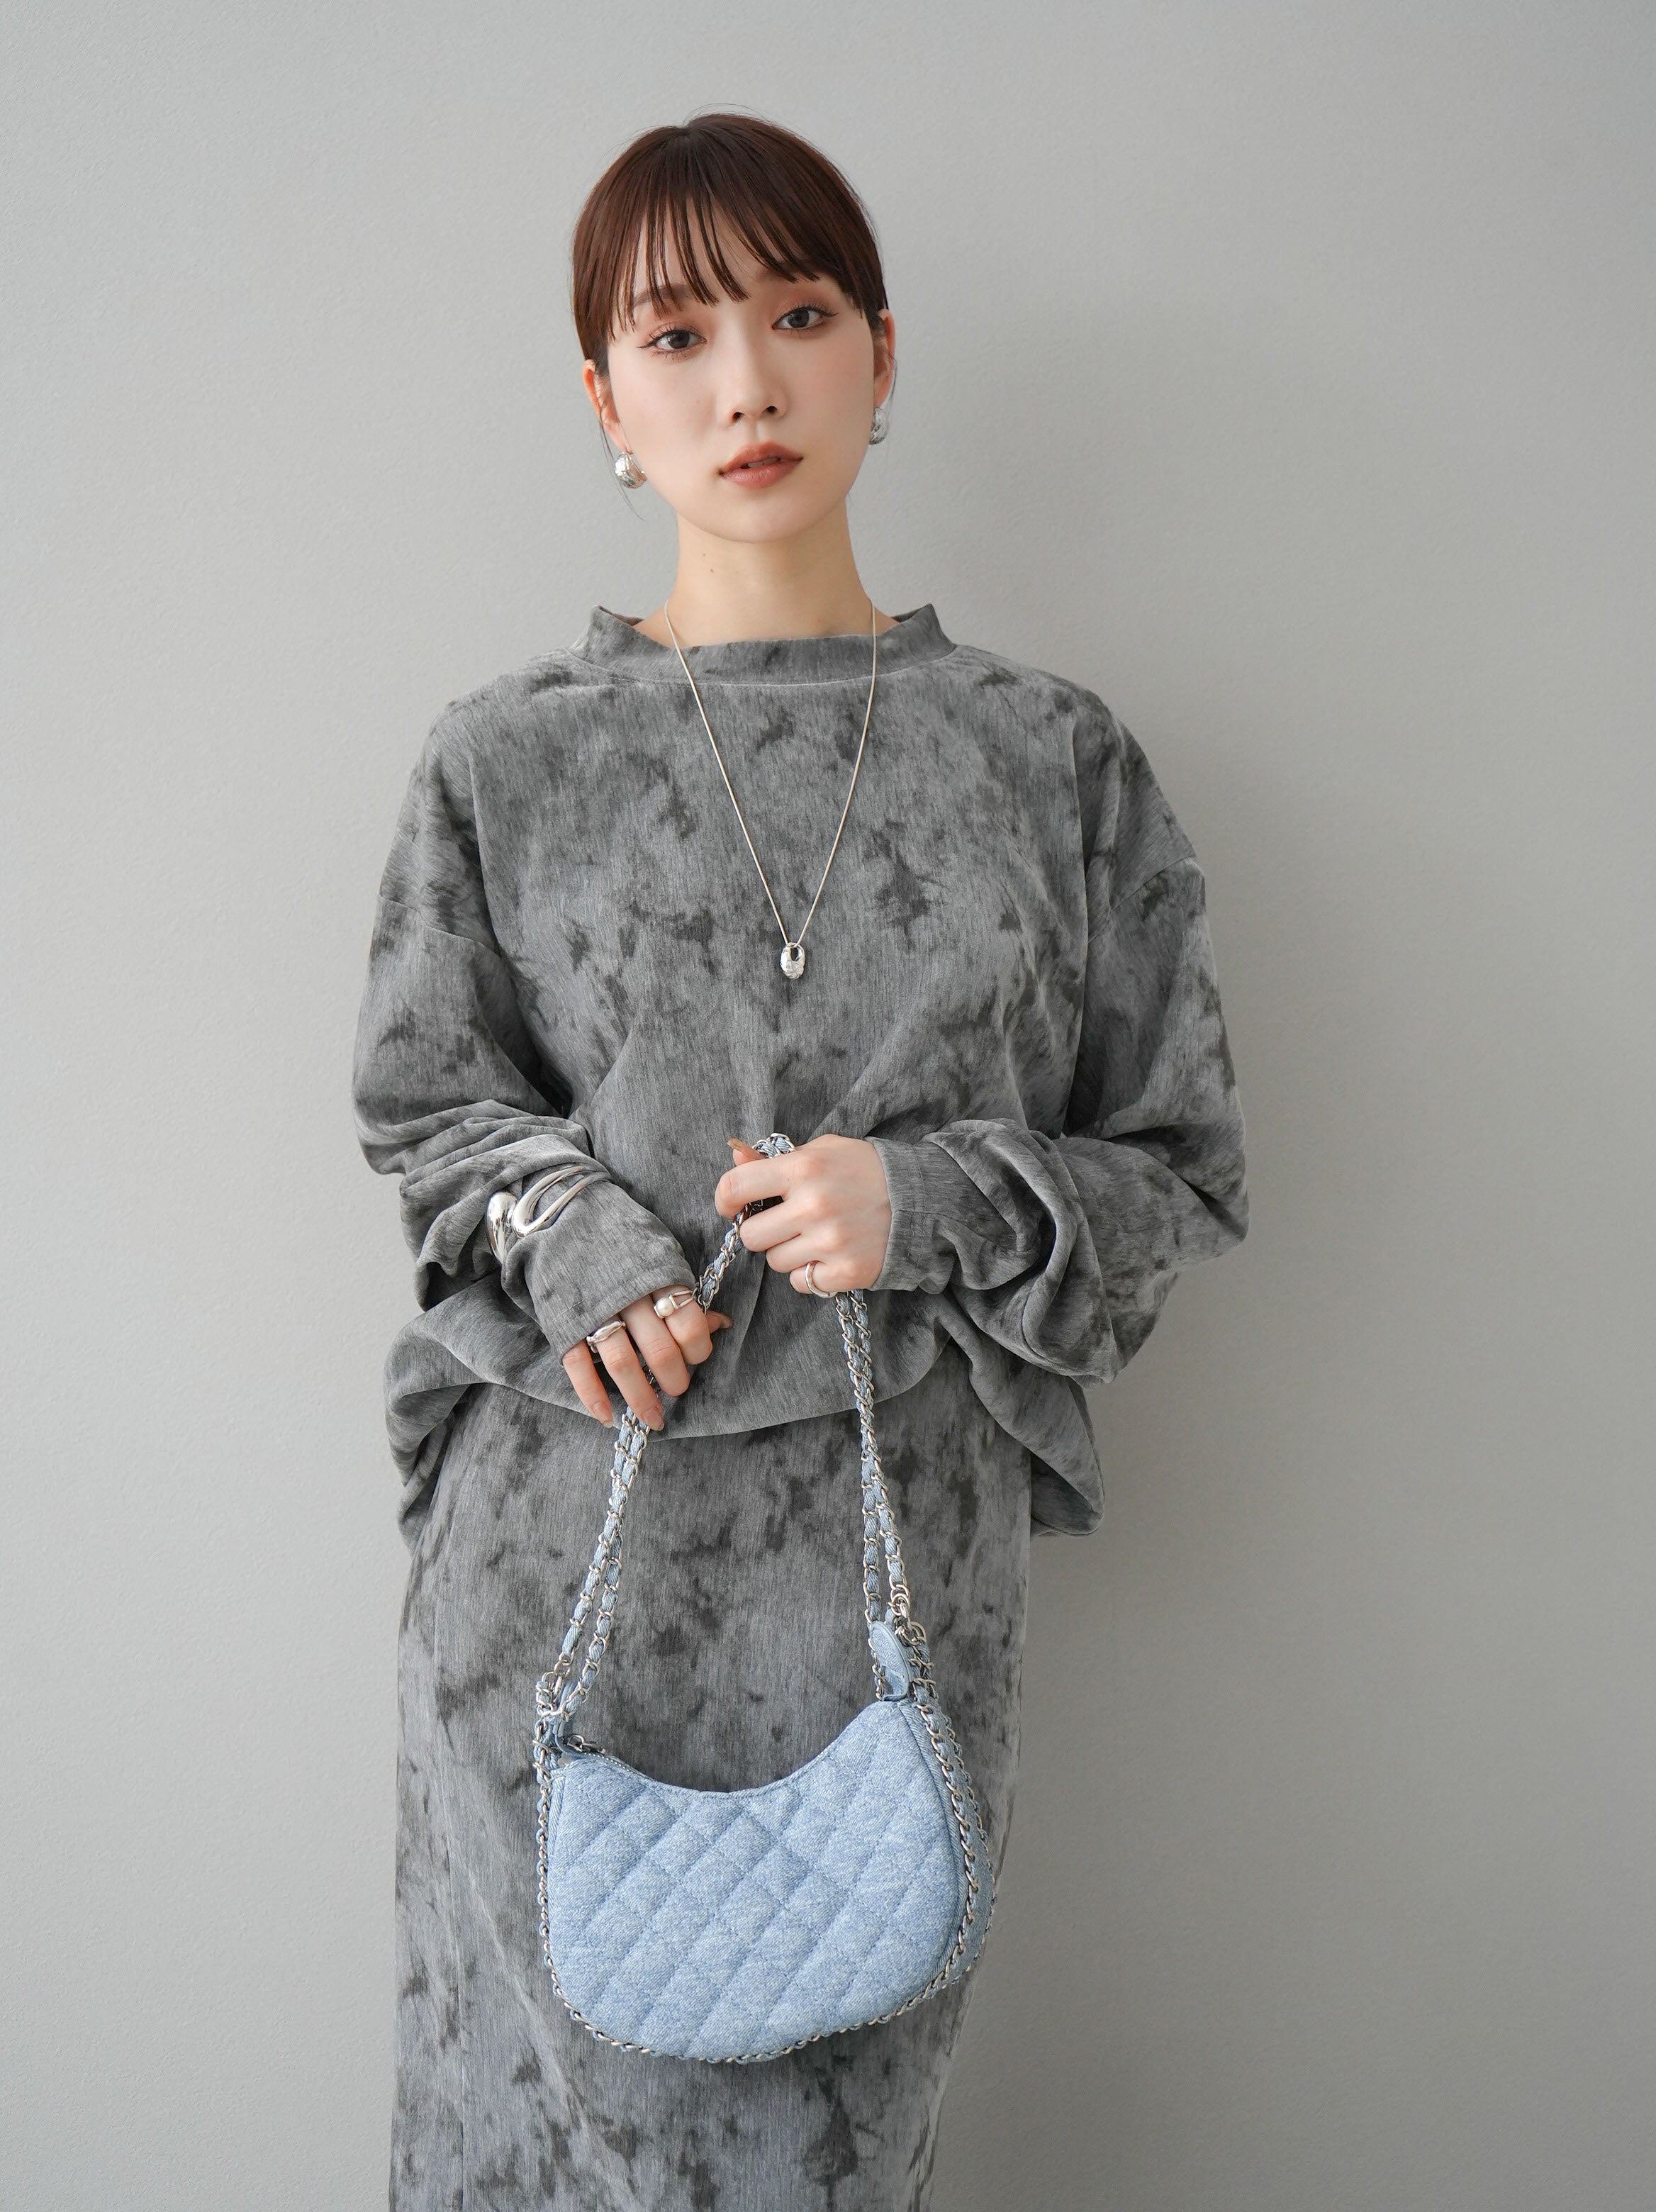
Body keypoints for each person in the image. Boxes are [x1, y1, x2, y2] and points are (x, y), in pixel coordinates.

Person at [351, 109, 1250, 2212]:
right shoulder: (504, 760)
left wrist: (932, 1204)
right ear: (606, 400)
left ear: (881, 352)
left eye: (798, 313)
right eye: (675, 337)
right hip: (553, 1568)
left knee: (827, 2162)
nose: (744, 383)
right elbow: (425, 1106)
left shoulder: (1052, 759)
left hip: (888, 1594)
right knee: (535, 2156)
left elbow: (1181, 1166)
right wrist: (572, 1229)